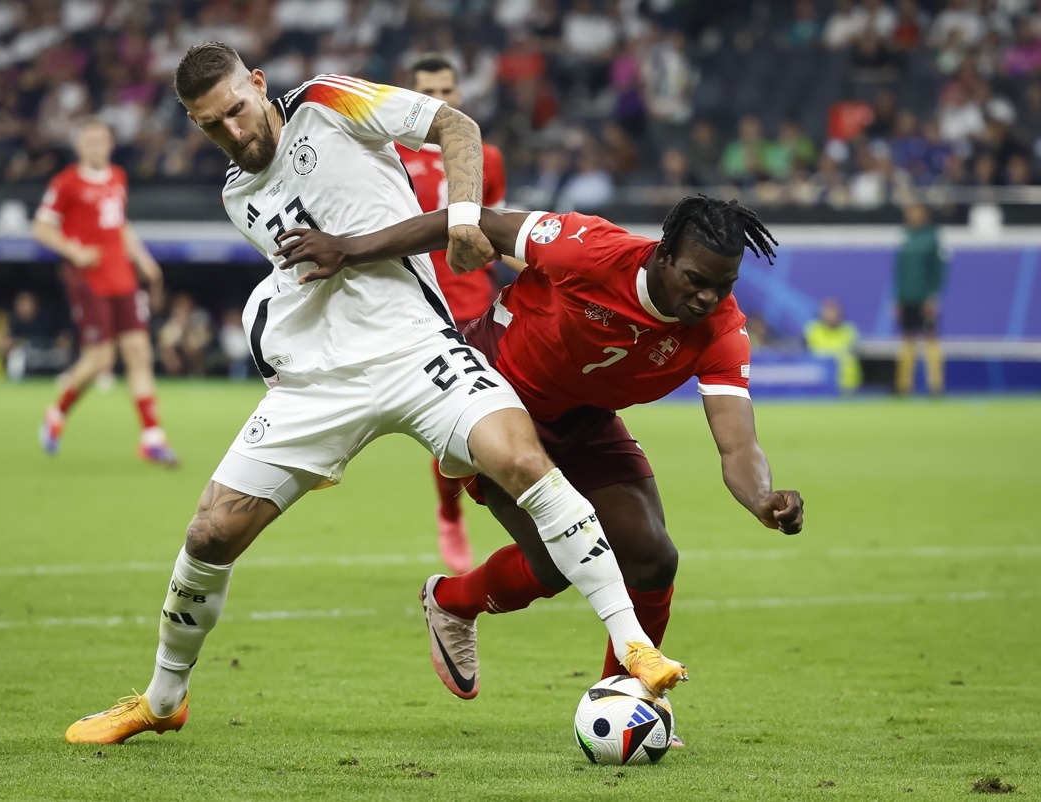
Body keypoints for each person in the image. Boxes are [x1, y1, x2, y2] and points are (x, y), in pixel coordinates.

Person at [64, 42, 688, 746]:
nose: (232, 132)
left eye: (237, 110)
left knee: (521, 457)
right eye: (211, 125)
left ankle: (634, 647)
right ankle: (161, 699)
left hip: (418, 350)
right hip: (320, 381)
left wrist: (459, 222)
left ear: (258, 85)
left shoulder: (329, 101)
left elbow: (458, 126)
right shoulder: (237, 195)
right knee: (210, 533)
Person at [274, 195, 805, 718]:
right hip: (489, 398)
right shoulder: (588, 249)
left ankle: (624, 702)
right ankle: (452, 602)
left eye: (725, 285)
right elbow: (469, 221)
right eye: (697, 280)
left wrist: (763, 496)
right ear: (664, 256)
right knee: (554, 562)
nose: (709, 298)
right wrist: (349, 248)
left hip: (584, 416)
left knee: (653, 554)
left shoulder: (720, 328)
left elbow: (738, 443)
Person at [396, 54, 519, 575]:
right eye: (430, 91)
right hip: (411, 303)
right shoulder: (388, 155)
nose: (441, 100)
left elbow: (495, 225)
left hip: (474, 304)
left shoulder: (484, 155)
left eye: (449, 89)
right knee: (445, 423)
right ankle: (451, 511)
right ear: (412, 97)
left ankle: (459, 511)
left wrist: (539, 266)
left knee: (473, 416)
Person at [33, 117, 178, 466]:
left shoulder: (117, 177)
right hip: (89, 278)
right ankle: (57, 413)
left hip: (122, 277)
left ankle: (152, 436)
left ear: (110, 144)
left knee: (139, 353)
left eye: (102, 140)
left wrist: (143, 259)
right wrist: (74, 251)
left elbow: (120, 224)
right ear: (79, 146)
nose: (97, 146)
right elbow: (41, 227)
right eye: (90, 140)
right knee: (100, 359)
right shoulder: (66, 182)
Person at [894, 203, 947, 396]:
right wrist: (897, 297)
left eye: (916, 212)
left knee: (930, 338)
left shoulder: (933, 238)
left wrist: (933, 296)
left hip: (924, 298)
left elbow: (939, 270)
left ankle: (936, 385)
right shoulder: (905, 237)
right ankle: (903, 386)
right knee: (907, 338)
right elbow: (898, 271)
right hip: (906, 297)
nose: (912, 216)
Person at [804, 297, 862, 393]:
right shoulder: (812, 330)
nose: (831, 315)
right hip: (819, 385)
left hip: (847, 385)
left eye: (834, 312)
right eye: (828, 311)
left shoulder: (849, 331)